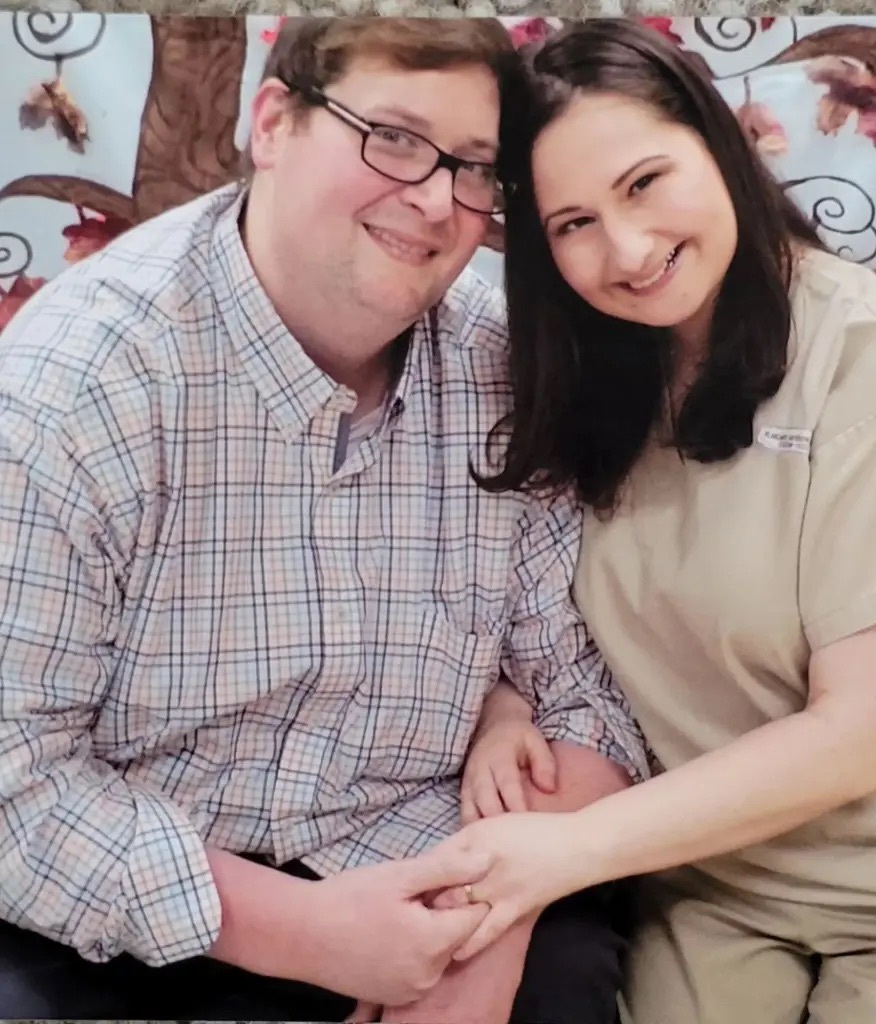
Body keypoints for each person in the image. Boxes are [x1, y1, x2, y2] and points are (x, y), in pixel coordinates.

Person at [0, 18, 648, 1024]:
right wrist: (306, 934)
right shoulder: (80, 385)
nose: (435, 199)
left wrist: (488, 923)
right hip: (145, 910)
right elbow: (12, 782)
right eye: (391, 136)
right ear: (273, 122)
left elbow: (590, 698)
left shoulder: (502, 372)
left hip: (449, 875)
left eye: (473, 167)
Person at [443, 18, 876, 1024]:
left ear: (720, 145)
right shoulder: (591, 384)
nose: (625, 249)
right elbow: (543, 609)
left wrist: (562, 852)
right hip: (709, 883)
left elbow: (861, 739)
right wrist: (506, 709)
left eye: (643, 183)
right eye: (572, 224)